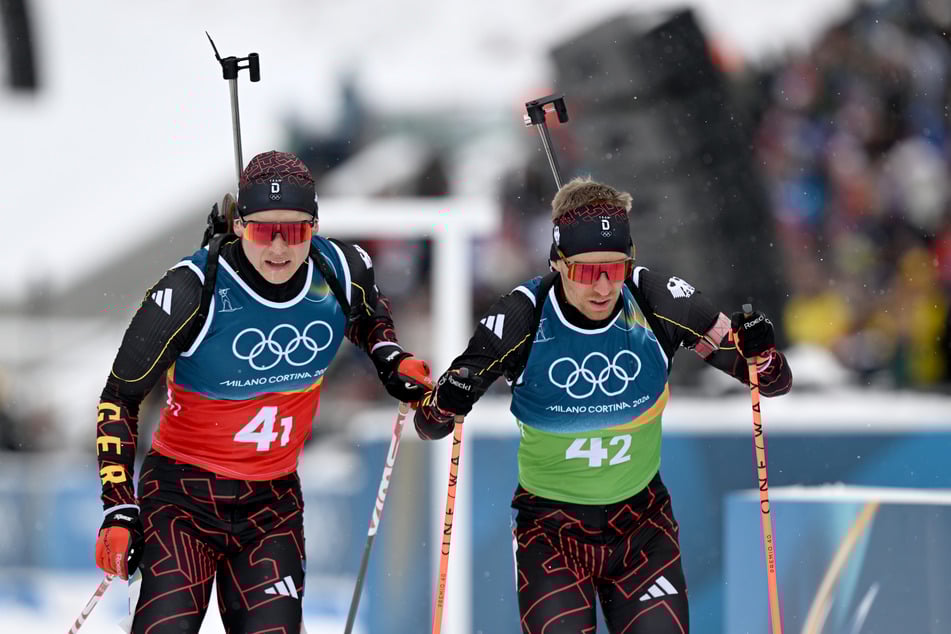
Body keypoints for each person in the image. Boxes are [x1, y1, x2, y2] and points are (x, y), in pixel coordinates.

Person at [415, 176, 792, 633]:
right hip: (552, 532)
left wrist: (761, 350)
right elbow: (430, 424)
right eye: (586, 272)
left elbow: (768, 382)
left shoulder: (658, 299)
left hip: (642, 527)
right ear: (557, 262)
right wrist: (449, 399)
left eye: (614, 270)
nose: (602, 288)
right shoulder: (522, 316)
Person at [94, 151, 433, 633]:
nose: (279, 246)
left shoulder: (342, 270)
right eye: (262, 230)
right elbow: (119, 397)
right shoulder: (194, 289)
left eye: (294, 230)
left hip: (270, 506)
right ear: (239, 225)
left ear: (314, 226)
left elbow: (368, 317)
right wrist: (119, 508)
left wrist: (391, 358)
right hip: (181, 501)